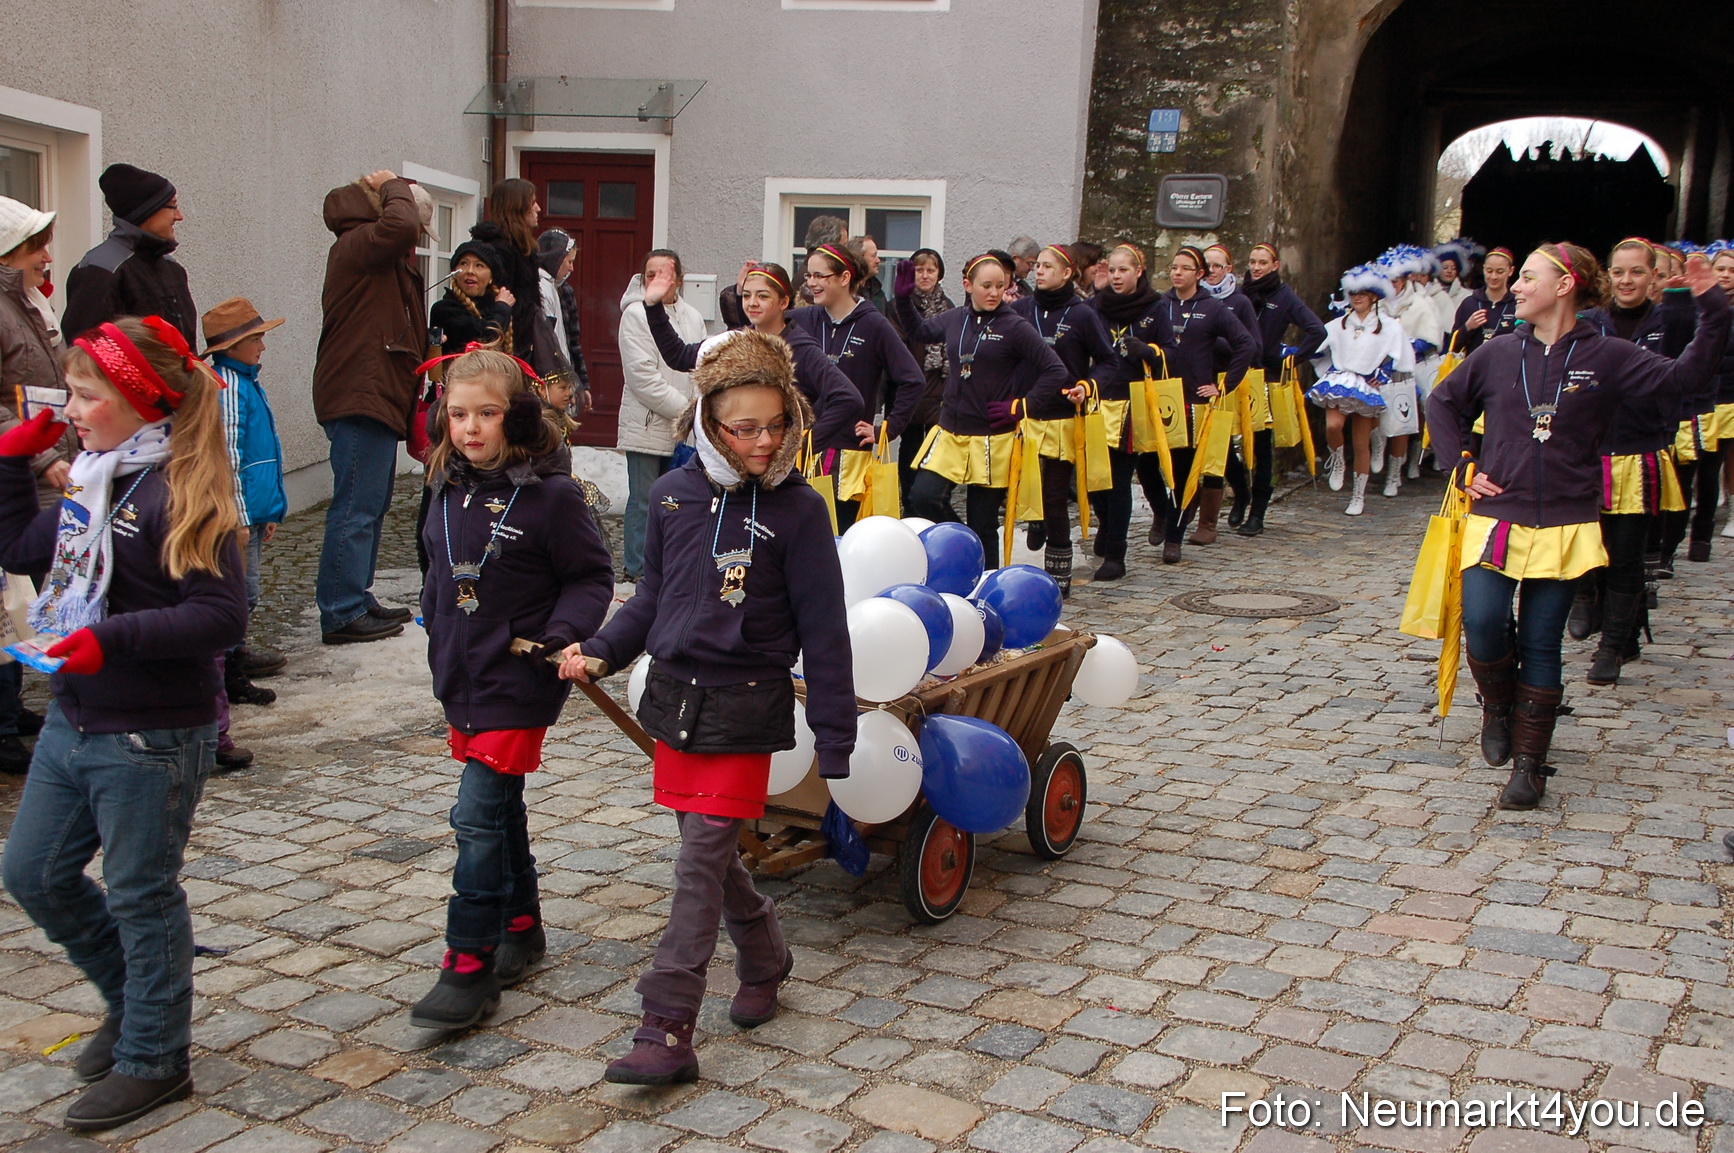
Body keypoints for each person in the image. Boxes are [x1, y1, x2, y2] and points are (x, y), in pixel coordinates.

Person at [558, 330, 854, 1086]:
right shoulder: (671, 496)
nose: (763, 441)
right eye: (742, 427)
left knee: (697, 863)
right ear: (707, 424)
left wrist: (836, 739)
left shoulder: (801, 512)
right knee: (712, 856)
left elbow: (824, 629)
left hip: (746, 707)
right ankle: (765, 954)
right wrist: (600, 649)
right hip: (675, 704)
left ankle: (666, 1024)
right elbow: (652, 598)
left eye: (775, 424)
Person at [0, 316, 247, 1130]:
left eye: (84, 393)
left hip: (150, 732)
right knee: (32, 872)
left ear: (140, 400)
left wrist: (109, 640)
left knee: (142, 894)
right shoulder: (94, 476)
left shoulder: (187, 489)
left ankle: (155, 1056)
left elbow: (219, 616)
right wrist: (12, 461)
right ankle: (130, 1000)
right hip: (76, 715)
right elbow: (21, 547)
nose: (69, 408)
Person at [1431, 243, 1726, 810]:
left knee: (1543, 641)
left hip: (1568, 520)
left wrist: (1712, 306)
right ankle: (1498, 706)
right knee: (1486, 622)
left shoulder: (1610, 355)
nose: (1515, 287)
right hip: (1498, 515)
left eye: (1527, 278)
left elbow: (1688, 376)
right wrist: (1463, 466)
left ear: (1564, 285)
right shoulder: (1496, 354)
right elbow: (1444, 403)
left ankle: (1529, 765)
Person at [408, 347, 614, 1030]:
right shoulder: (441, 483)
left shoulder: (552, 496)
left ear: (516, 416)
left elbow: (591, 577)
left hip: (520, 676)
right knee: (500, 809)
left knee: (475, 815)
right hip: (461, 676)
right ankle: (522, 925)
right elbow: (439, 573)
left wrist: (564, 632)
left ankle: (468, 964)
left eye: (487, 414)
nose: (470, 427)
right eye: (458, 413)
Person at [1565, 238, 1696, 685]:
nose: (1626, 281)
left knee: (1626, 557)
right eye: (1618, 272)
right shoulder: (1589, 322)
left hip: (1639, 451)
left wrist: (1681, 297)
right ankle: (1587, 598)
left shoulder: (1668, 321)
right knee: (1587, 548)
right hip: (1588, 453)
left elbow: (1692, 356)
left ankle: (1613, 647)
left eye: (1637, 272)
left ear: (1653, 277)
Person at [895, 253, 1069, 562]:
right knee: (922, 497)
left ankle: (985, 582)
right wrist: (904, 299)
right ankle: (964, 545)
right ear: (968, 285)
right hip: (951, 431)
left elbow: (1055, 370)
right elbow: (919, 332)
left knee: (984, 523)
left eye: (1000, 286)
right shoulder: (955, 317)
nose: (993, 293)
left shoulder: (1015, 326)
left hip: (993, 438)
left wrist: (1022, 406)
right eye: (986, 285)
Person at [313, 170, 425, 644]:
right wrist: (392, 186)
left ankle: (356, 596)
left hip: (372, 390)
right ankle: (341, 610)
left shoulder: (372, 250)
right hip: (360, 393)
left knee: (371, 503)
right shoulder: (358, 242)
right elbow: (401, 226)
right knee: (356, 505)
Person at [0, 198, 75, 771]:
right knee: (7, 596)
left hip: (40, 466)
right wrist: (42, 453)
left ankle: (18, 706)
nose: (47, 257)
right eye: (35, 247)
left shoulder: (28, 304)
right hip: (17, 471)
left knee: (40, 589)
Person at [642, 261, 861, 448]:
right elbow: (679, 356)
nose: (752, 302)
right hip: (738, 461)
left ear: (783, 302)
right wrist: (653, 307)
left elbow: (848, 399)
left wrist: (804, 444)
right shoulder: (735, 339)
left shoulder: (800, 348)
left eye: (763, 296)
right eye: (747, 295)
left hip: (779, 473)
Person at [205, 298, 290, 770]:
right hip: (237, 513)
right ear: (235, 346)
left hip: (255, 510)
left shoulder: (247, 383)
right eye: (257, 339)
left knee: (248, 592)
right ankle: (229, 673)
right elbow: (230, 455)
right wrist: (238, 515)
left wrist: (268, 509)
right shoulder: (229, 389)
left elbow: (265, 455)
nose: (263, 346)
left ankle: (232, 669)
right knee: (240, 592)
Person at [790, 243, 924, 529]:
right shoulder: (800, 320)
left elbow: (913, 380)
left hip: (847, 456)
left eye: (819, 276)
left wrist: (886, 429)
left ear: (844, 278)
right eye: (808, 276)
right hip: (803, 447)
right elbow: (756, 327)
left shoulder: (873, 323)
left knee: (840, 534)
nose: (811, 283)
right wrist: (741, 294)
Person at [1141, 245, 1258, 562]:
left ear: (1199, 274)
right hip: (1158, 398)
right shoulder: (1158, 304)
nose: (1177, 273)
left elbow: (1245, 344)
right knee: (1145, 463)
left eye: (1184, 268)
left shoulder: (1213, 308)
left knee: (1182, 472)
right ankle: (1161, 512)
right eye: (1173, 267)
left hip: (1192, 401)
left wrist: (1223, 385)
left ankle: (1174, 538)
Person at [1011, 244, 1117, 594]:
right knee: (1021, 489)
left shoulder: (1083, 314)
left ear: (1067, 273)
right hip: (1025, 415)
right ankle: (1034, 521)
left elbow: (1108, 361)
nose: (1039, 271)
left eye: (1047, 266)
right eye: (1037, 265)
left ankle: (1059, 575)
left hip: (1061, 418)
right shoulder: (1021, 310)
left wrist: (1087, 386)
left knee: (1055, 495)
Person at [617, 250, 705, 582]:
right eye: (651, 274)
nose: (658, 280)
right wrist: (687, 412)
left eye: (665, 273)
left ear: (679, 279)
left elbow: (698, 365)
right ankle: (637, 567)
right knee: (644, 499)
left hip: (687, 426)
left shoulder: (693, 316)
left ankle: (673, 565)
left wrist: (698, 410)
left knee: (680, 501)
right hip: (648, 422)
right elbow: (642, 377)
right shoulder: (636, 315)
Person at [1086, 242, 1169, 580]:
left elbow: (1172, 353)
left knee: (1119, 480)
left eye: (1125, 270)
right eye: (1114, 270)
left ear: (1139, 272)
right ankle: (1105, 523)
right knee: (1095, 482)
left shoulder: (1156, 307)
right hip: (1098, 399)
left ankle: (1117, 553)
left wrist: (1149, 351)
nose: (1118, 277)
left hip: (1132, 402)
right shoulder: (1095, 306)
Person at [1234, 243, 1327, 535]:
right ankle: (1240, 492)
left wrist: (1293, 358)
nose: (1257, 267)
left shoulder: (1284, 297)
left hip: (1266, 376)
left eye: (1263, 262)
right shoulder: (1239, 293)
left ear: (1275, 265)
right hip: (1236, 374)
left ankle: (1257, 512)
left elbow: (1317, 330)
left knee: (1262, 446)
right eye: (1253, 262)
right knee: (1223, 442)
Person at [1309, 265, 1413, 516]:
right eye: (1353, 293)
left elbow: (1401, 355)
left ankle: (1358, 495)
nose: (1357, 298)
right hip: (1341, 380)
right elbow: (1316, 345)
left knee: (1360, 441)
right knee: (1333, 426)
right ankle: (1338, 461)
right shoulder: (1337, 324)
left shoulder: (1388, 326)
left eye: (1363, 293)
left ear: (1374, 296)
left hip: (1366, 385)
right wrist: (1295, 353)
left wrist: (1384, 372)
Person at [61, 165, 196, 345]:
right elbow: (85, 356)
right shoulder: (99, 271)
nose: (179, 216)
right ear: (147, 210)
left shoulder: (172, 269)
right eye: (173, 206)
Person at [1199, 244, 1262, 542]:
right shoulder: (1192, 300)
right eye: (1207, 266)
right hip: (1197, 379)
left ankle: (1230, 501)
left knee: (1219, 448)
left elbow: (1252, 345)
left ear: (1228, 269)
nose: (1212, 271)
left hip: (1226, 382)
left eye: (1217, 266)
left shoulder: (1239, 303)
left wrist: (1214, 342)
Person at [1378, 247, 1447, 493]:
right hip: (1382, 368)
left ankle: (1398, 470)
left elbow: (1431, 337)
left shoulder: (1421, 304)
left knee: (1404, 416)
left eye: (1395, 281)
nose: (1390, 286)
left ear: (1406, 280)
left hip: (1414, 365)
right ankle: (1380, 458)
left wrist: (1406, 349)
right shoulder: (1378, 303)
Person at [897, 248, 954, 505]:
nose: (925, 275)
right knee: (910, 446)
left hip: (938, 386)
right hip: (911, 384)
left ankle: (933, 499)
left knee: (935, 448)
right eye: (920, 270)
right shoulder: (900, 305)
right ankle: (909, 500)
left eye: (930, 270)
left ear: (939, 274)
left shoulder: (948, 306)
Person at [470, 180, 543, 367]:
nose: (538, 208)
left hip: (523, 346)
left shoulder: (522, 249)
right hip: (506, 349)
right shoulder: (499, 250)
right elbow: (498, 302)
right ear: (517, 207)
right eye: (532, 202)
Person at [537, 228, 591, 411]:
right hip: (549, 383)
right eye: (569, 261)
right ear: (556, 259)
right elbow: (549, 343)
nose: (571, 268)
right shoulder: (542, 289)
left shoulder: (556, 288)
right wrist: (563, 382)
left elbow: (569, 341)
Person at [1450, 247, 1519, 355]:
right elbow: (1453, 347)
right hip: (1474, 368)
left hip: (1506, 368)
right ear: (1483, 269)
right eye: (1489, 271)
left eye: (1500, 272)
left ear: (1510, 271)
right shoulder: (1469, 303)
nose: (1493, 276)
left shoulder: (1518, 304)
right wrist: (1467, 327)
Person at [846, 236, 889, 316]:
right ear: (859, 258)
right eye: (873, 256)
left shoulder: (878, 293)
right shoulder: (844, 292)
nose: (878, 260)